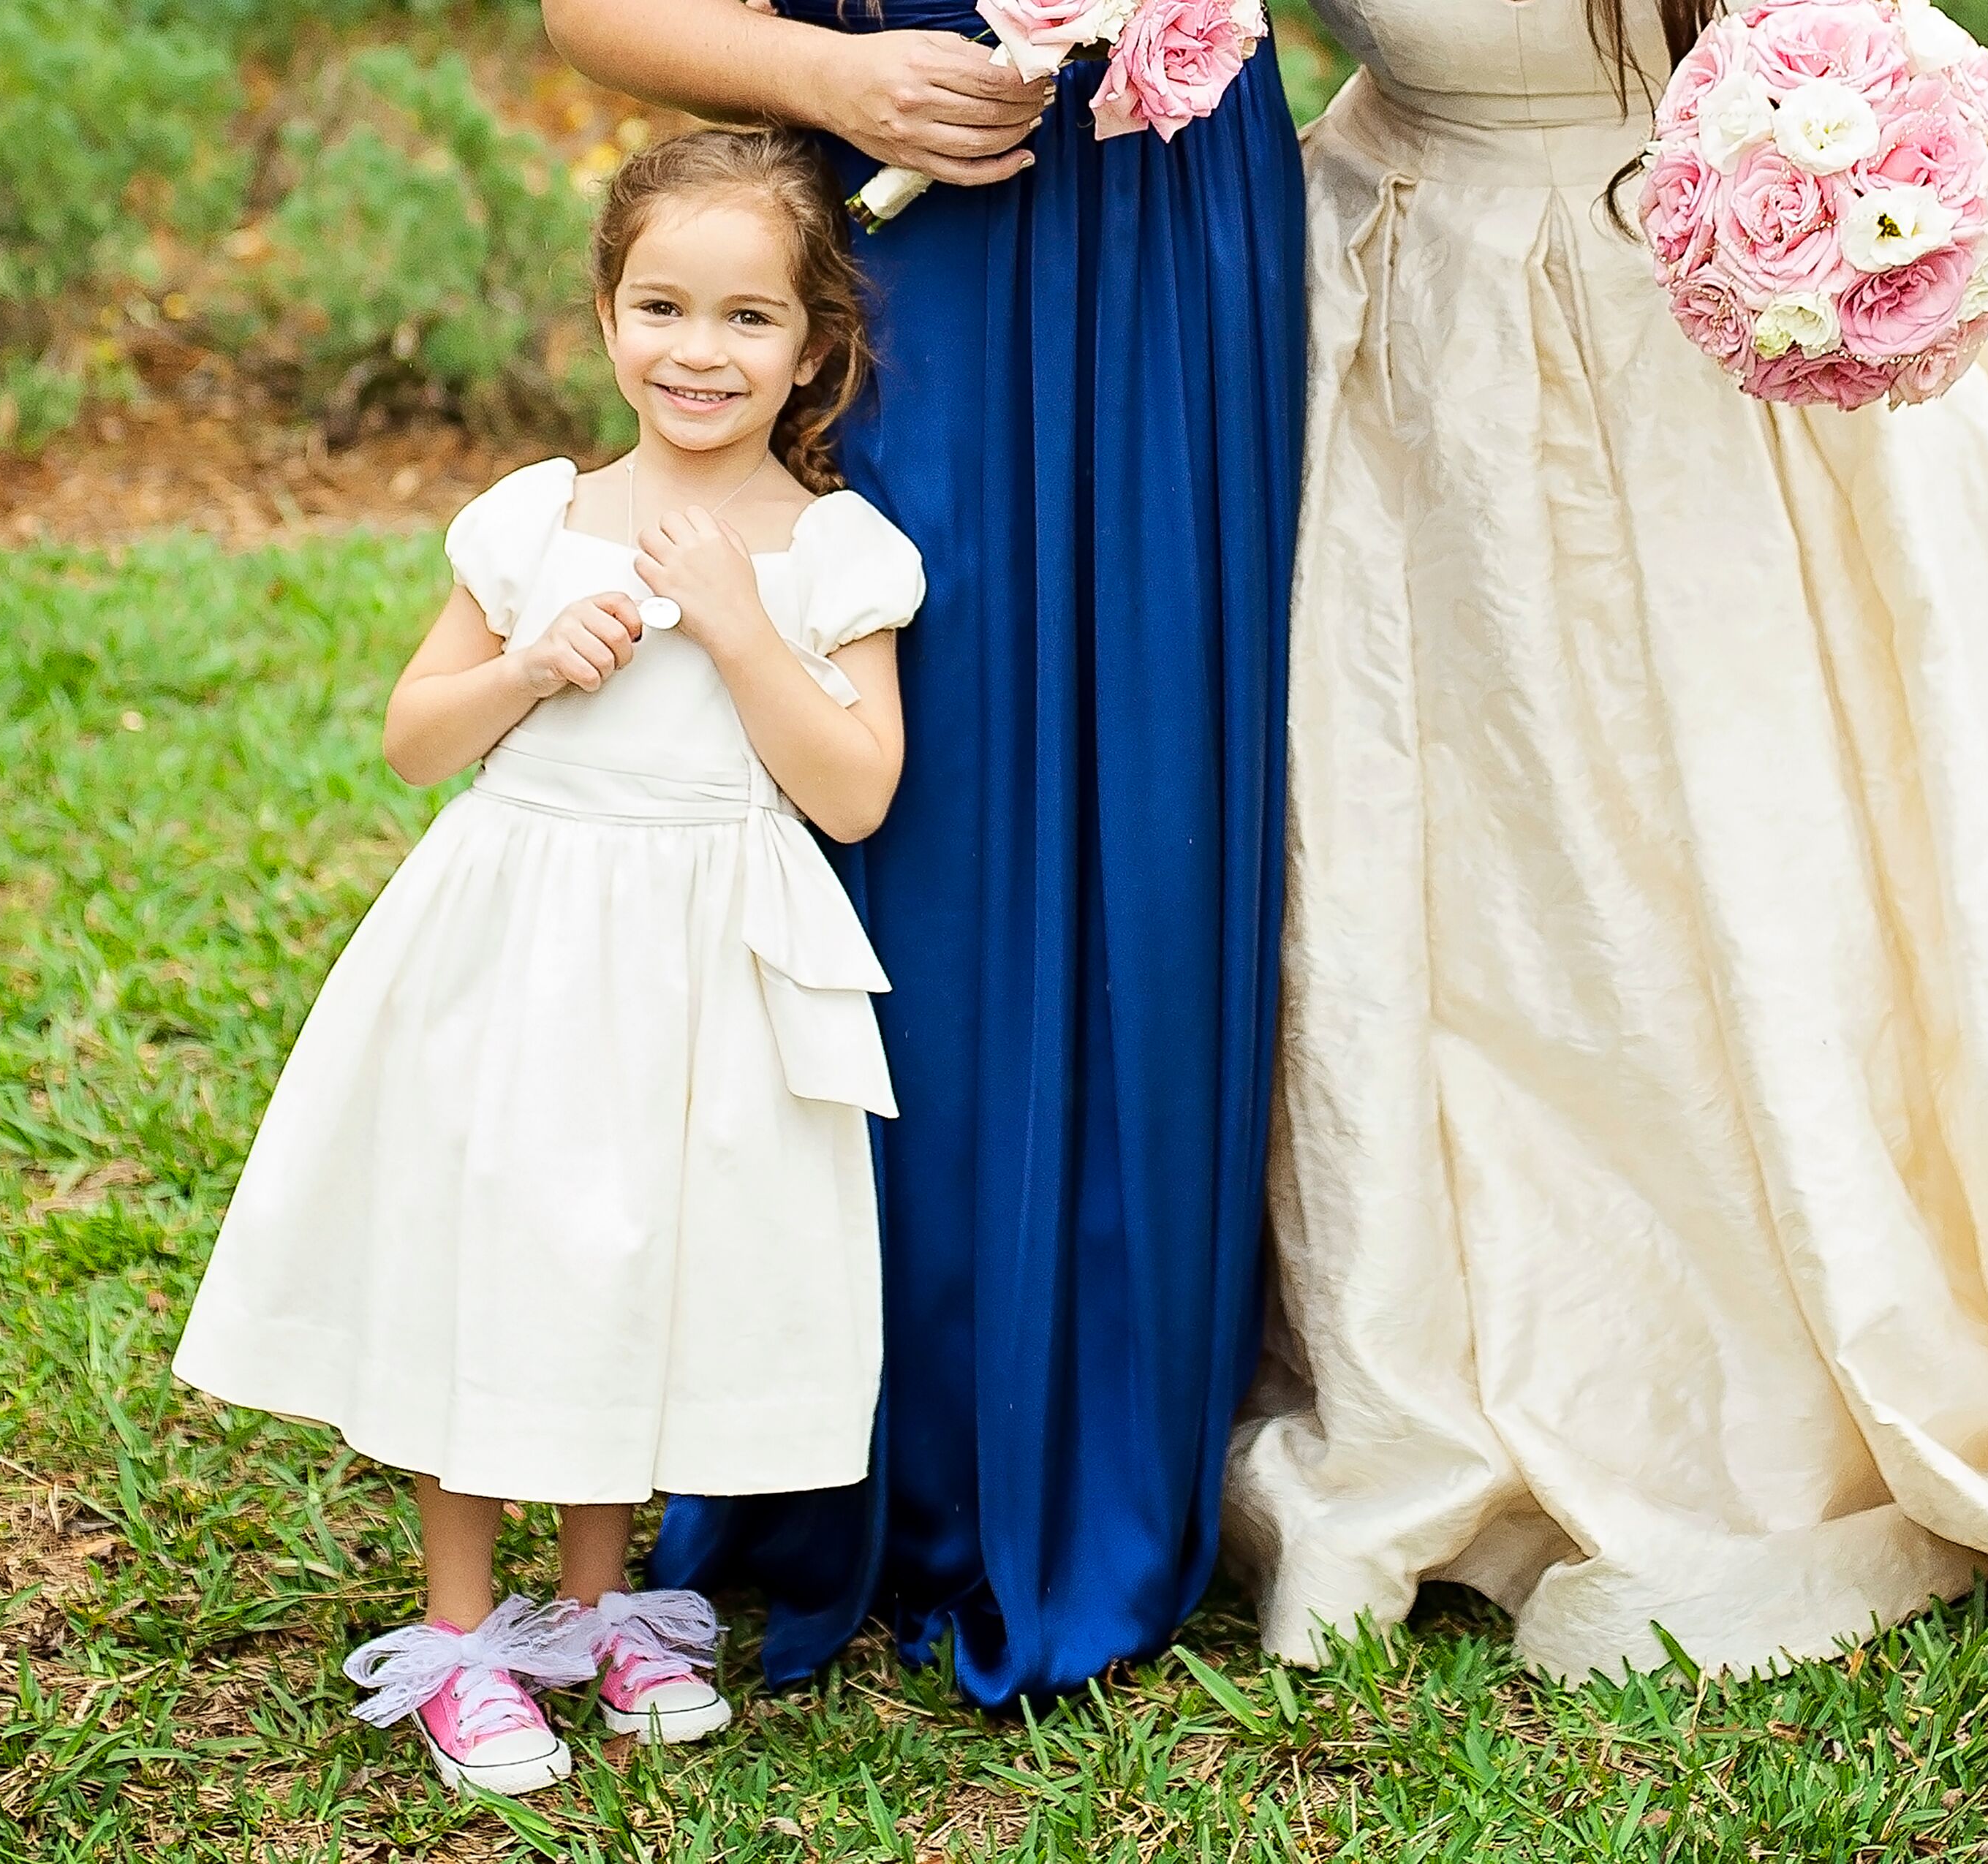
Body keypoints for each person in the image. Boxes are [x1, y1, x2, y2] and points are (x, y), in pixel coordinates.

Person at [1226, 0, 1988, 1683]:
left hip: (1710, 312)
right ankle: (1525, 1306)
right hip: (1405, 303)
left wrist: (1862, 175)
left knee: (1774, 811)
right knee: (1489, 867)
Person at [544, 1, 1305, 1703]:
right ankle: (842, 1444)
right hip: (904, 209)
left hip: (1173, 205)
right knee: (932, 768)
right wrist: (834, 76)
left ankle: (1110, 1438)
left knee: (1154, 776)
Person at [172, 129, 926, 1791]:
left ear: (815, 345)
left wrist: (739, 625)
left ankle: (593, 1607)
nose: (699, 350)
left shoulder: (837, 552)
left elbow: (858, 790)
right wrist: (523, 666)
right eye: (662, 305)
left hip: (702, 971)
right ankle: (461, 1632)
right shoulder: (536, 522)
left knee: (628, 1267)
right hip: (518, 952)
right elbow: (412, 740)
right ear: (605, 317)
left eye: (747, 318)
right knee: (496, 1259)